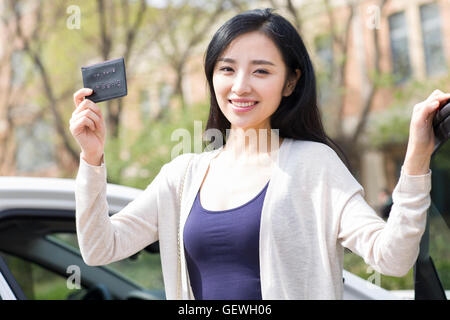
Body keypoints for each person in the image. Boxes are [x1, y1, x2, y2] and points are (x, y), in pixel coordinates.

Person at [70, 8, 450, 299]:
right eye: (227, 69)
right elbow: (100, 248)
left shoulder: (312, 165)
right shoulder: (181, 176)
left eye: (261, 72)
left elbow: (392, 258)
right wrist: (92, 159)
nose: (240, 86)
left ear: (290, 82)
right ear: (212, 76)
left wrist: (416, 157)